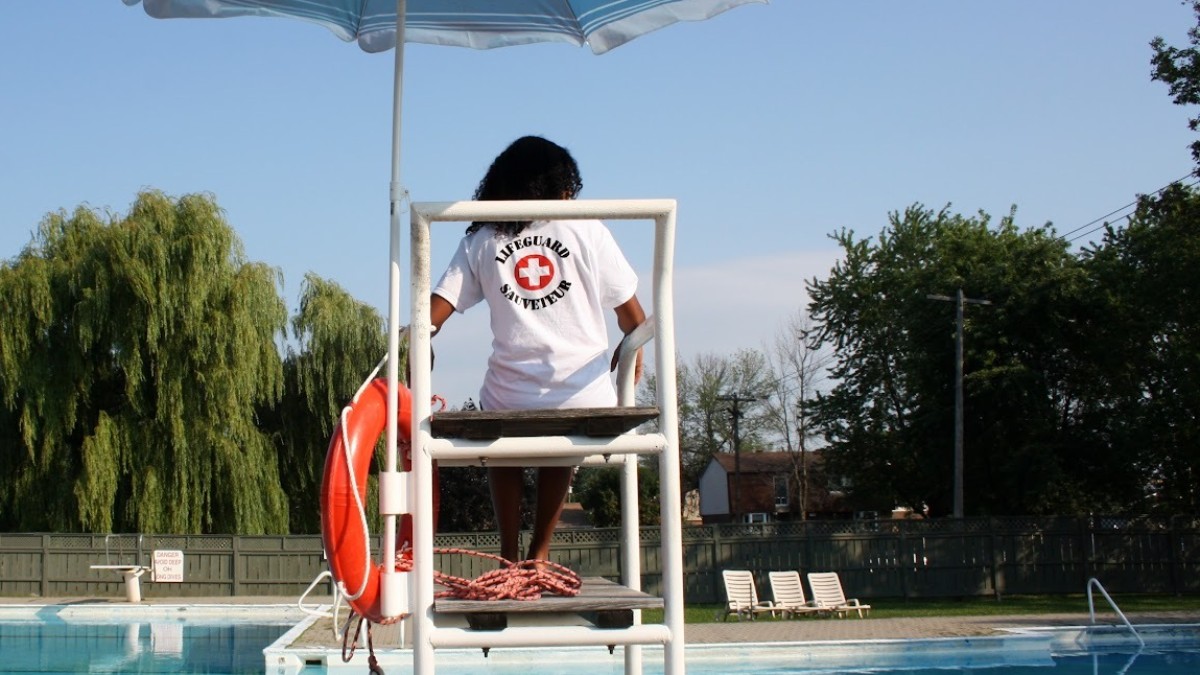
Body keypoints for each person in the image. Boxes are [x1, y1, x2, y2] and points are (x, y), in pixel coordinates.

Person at [428, 135, 646, 563]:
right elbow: (634, 318)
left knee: (502, 440)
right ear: (559, 182)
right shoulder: (587, 227)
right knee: (567, 423)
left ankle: (509, 553)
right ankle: (540, 552)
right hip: (582, 394)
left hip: (509, 396)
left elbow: (433, 314)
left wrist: (418, 345)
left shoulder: (483, 236)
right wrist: (632, 352)